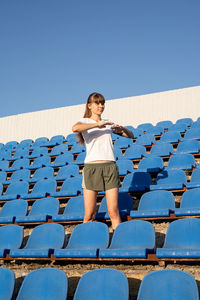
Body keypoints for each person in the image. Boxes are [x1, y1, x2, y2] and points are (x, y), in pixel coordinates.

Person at [72, 92, 134, 230]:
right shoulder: (86, 122)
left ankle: (119, 241)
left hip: (110, 167)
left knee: (113, 211)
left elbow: (131, 136)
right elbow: (75, 128)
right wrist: (97, 125)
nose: (100, 106)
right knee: (89, 214)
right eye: (97, 103)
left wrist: (122, 129)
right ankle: (85, 242)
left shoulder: (108, 123)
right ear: (89, 106)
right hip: (92, 168)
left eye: (102, 103)